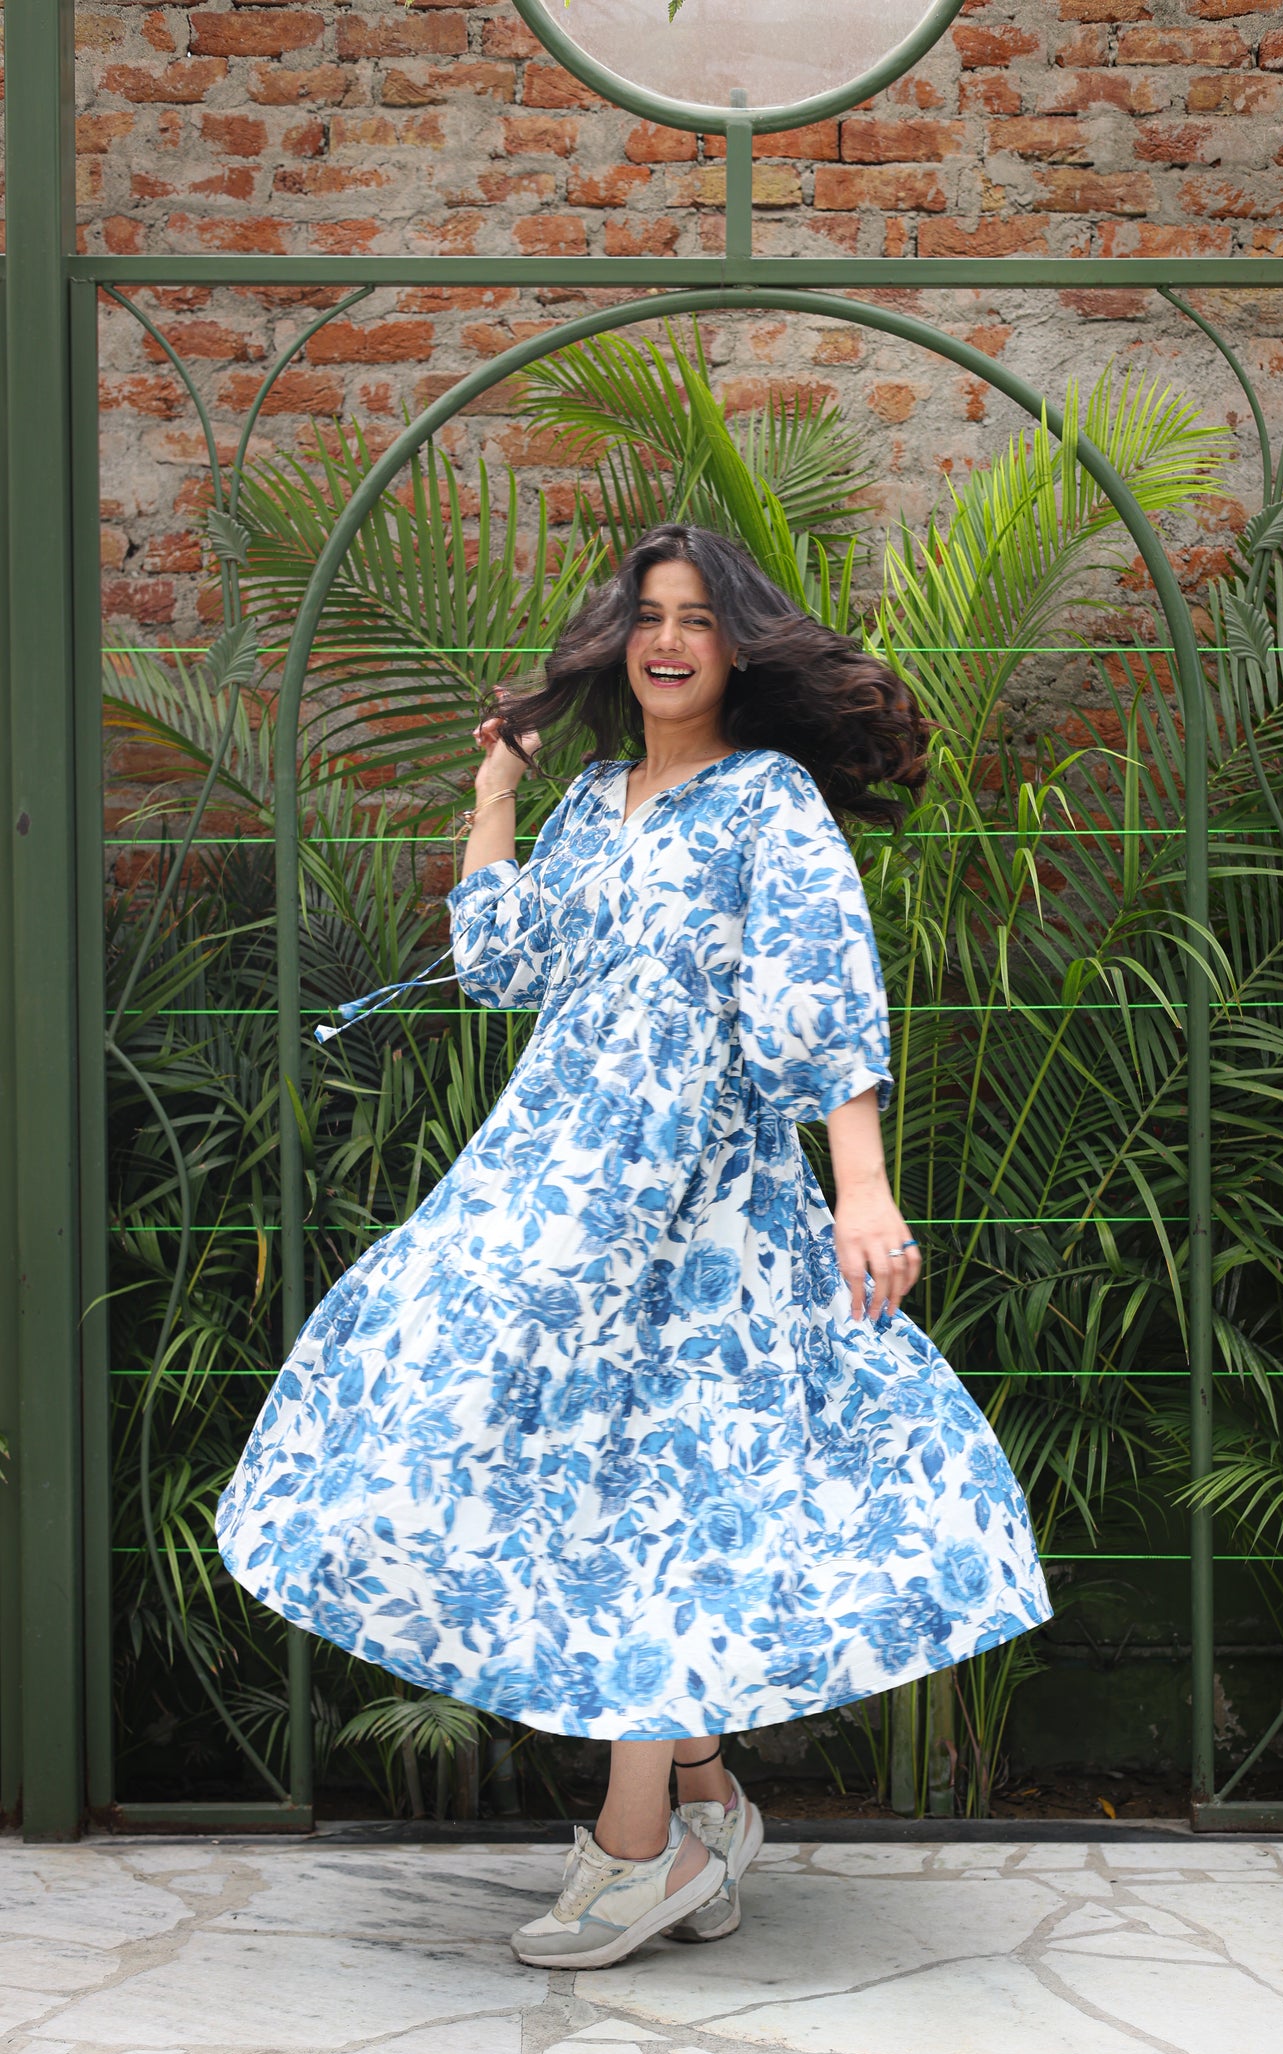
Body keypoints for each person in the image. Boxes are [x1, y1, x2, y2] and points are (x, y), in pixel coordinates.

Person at [217, 523, 1051, 1970]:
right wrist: (493, 792)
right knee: (533, 1449)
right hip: (551, 1183)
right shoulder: (593, 797)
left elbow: (818, 1001)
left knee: (660, 1486)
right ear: (620, 643)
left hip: (704, 1204)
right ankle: (705, 1801)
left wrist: (860, 1188)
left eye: (697, 620)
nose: (668, 641)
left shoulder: (765, 802)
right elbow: (503, 966)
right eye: (647, 618)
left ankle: (633, 1844)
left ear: (738, 647)